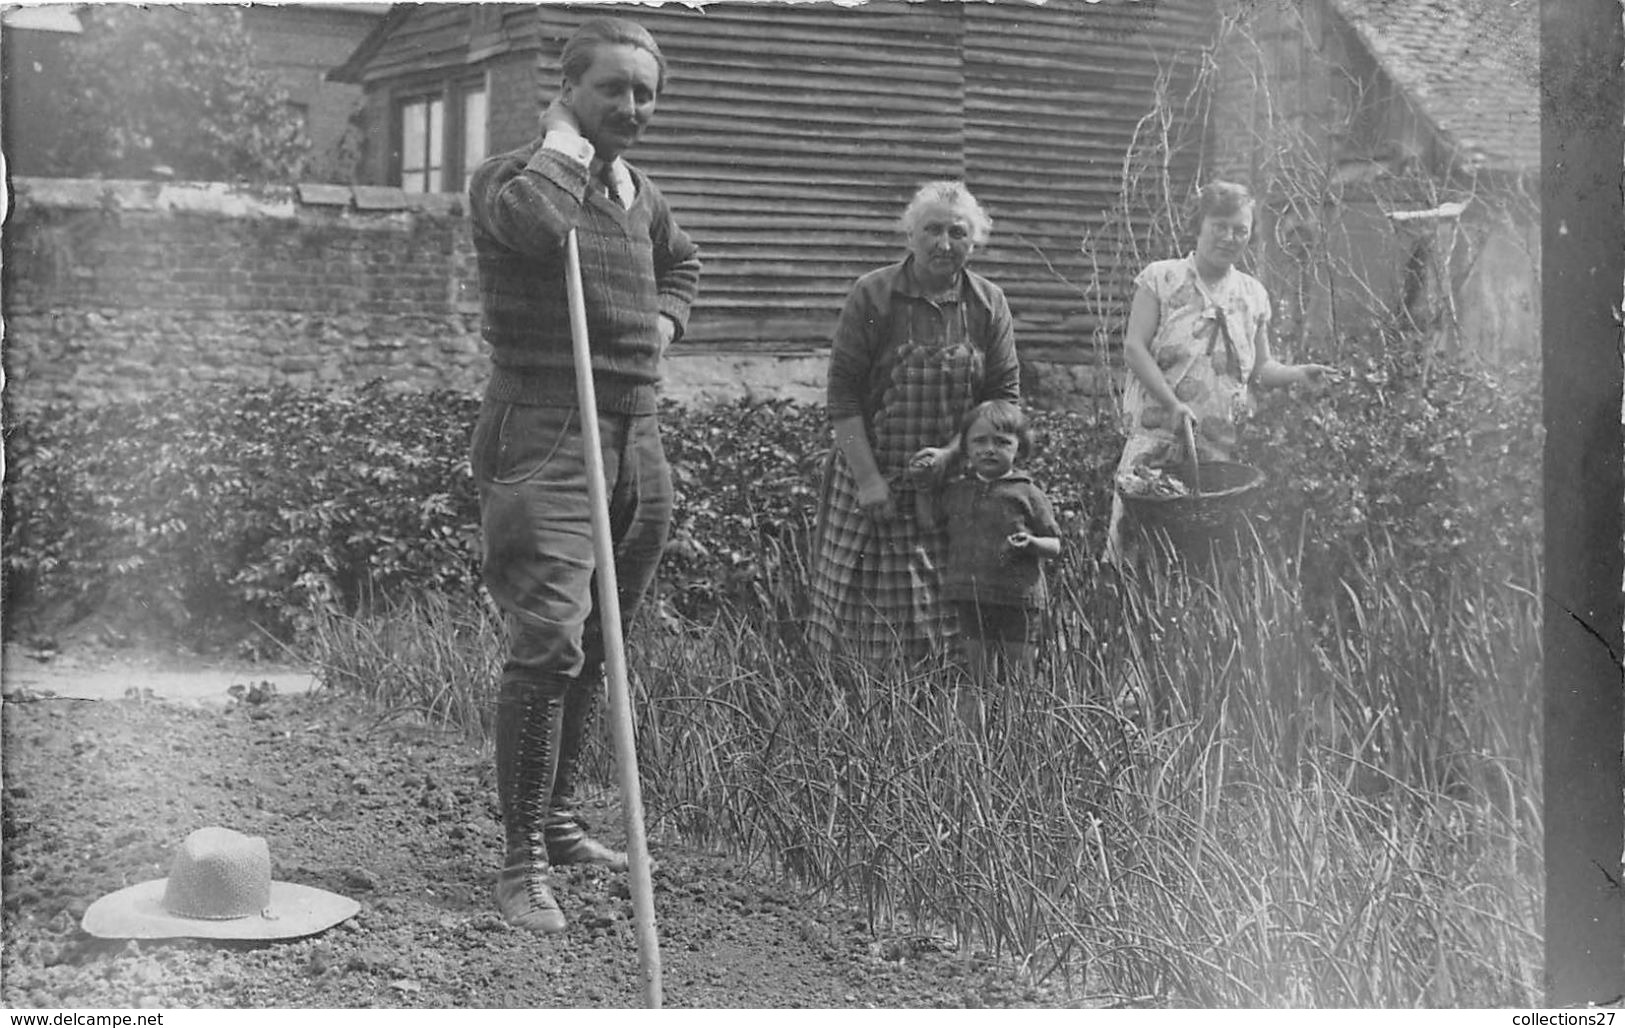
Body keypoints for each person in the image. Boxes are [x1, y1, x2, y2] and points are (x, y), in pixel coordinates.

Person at [465, 16, 700, 934]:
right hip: (545, 429)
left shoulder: (640, 193)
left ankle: (560, 824)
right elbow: (537, 226)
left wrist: (666, 325)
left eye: (645, 94)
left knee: (603, 638)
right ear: (568, 91)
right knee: (548, 644)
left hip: (636, 432)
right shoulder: (514, 180)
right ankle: (520, 861)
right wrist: (566, 147)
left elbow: (683, 263)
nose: (633, 110)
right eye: (614, 91)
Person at [806, 181, 1021, 663]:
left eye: (958, 233)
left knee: (944, 631)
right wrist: (868, 481)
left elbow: (1004, 399)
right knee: (859, 630)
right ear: (910, 235)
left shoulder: (988, 304)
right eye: (932, 230)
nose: (944, 244)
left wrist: (951, 454)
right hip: (871, 482)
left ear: (975, 240)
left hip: (950, 488)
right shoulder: (873, 295)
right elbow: (842, 397)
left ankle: (931, 730)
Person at [1107, 181, 1335, 563]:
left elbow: (1261, 368)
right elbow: (1134, 348)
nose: (1229, 237)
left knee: (1200, 564)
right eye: (1220, 226)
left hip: (1216, 458)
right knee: (1137, 559)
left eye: (1240, 230)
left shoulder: (1252, 295)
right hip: (1156, 445)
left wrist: (1299, 374)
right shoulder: (1161, 279)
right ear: (1199, 225)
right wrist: (1172, 403)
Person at [914, 400, 1061, 682]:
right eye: (979, 441)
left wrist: (1031, 543)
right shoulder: (959, 490)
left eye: (1002, 442)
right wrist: (922, 487)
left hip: (1017, 599)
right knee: (980, 677)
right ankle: (983, 727)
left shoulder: (1027, 493)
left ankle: (1019, 725)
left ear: (1021, 446)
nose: (989, 449)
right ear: (965, 448)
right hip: (971, 598)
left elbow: (1055, 545)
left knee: (1019, 679)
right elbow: (929, 524)